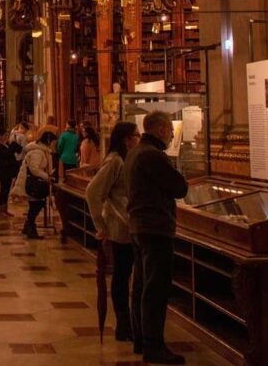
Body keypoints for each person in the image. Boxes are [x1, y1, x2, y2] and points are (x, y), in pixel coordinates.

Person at [127, 111, 189, 364]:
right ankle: (154, 346)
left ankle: (141, 339)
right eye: (170, 129)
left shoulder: (136, 153)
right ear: (161, 129)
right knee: (155, 289)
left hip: (140, 226)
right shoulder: (152, 155)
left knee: (142, 285)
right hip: (155, 228)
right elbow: (179, 187)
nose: (173, 134)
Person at [85, 122, 141, 343]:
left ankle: (128, 324)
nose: (139, 139)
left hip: (128, 225)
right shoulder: (115, 160)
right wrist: (101, 226)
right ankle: (123, 326)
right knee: (121, 276)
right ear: (127, 139)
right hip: (120, 228)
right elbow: (93, 191)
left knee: (125, 275)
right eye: (137, 135)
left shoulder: (125, 159)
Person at [16, 130, 54, 239]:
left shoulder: (41, 150)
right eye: (52, 142)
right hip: (34, 182)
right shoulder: (38, 152)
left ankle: (28, 226)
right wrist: (47, 176)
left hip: (35, 181)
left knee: (35, 205)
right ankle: (31, 228)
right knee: (36, 205)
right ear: (48, 141)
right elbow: (34, 169)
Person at [0, 125, 25, 216]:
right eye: (4, 135)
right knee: (3, 190)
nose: (6, 137)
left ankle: (5, 209)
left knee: (7, 190)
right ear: (0, 136)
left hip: (8, 171)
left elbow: (18, 150)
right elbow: (3, 155)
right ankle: (0, 211)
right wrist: (12, 147)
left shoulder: (6, 144)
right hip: (3, 170)